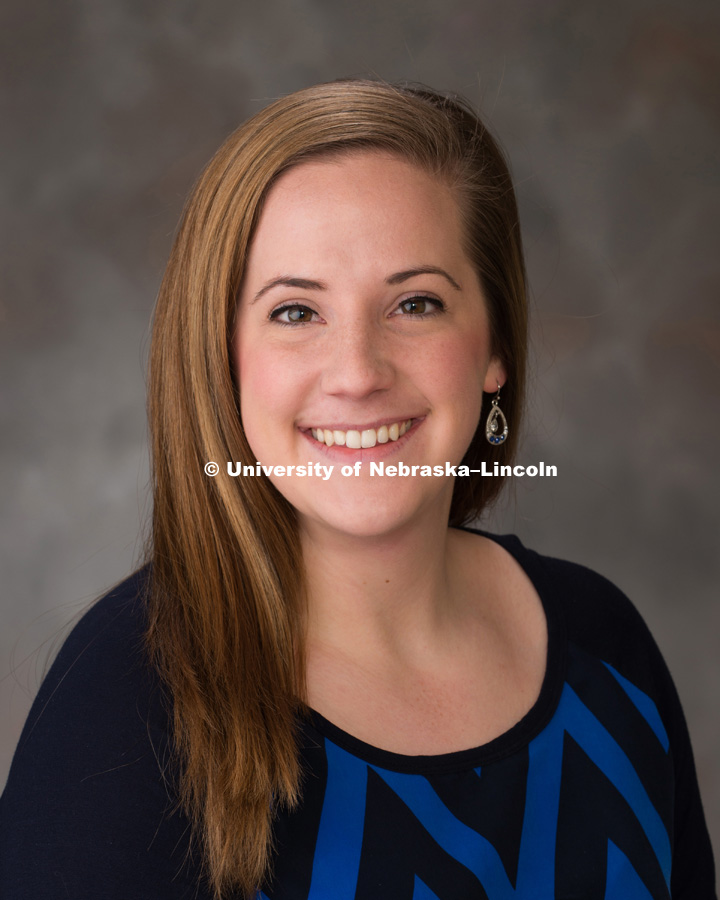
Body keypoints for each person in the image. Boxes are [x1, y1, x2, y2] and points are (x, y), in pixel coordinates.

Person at [0, 78, 715, 900]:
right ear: (225, 362)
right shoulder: (129, 696)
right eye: (296, 312)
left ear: (495, 347)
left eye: (415, 303)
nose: (357, 374)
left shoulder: (606, 646)